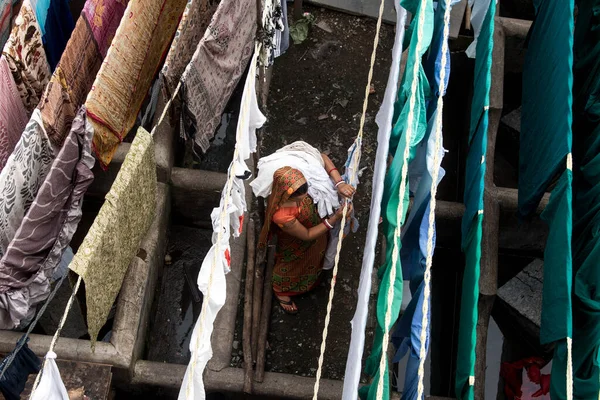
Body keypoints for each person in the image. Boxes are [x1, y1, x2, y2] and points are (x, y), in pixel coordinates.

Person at [257, 153, 355, 314]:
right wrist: (335, 218)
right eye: (297, 201)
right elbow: (307, 235)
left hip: (318, 232)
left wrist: (339, 183)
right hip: (299, 242)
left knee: (315, 259)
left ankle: (312, 279)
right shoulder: (282, 215)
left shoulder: (299, 179)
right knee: (293, 266)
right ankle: (281, 290)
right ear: (286, 195)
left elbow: (322, 157)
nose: (301, 202)